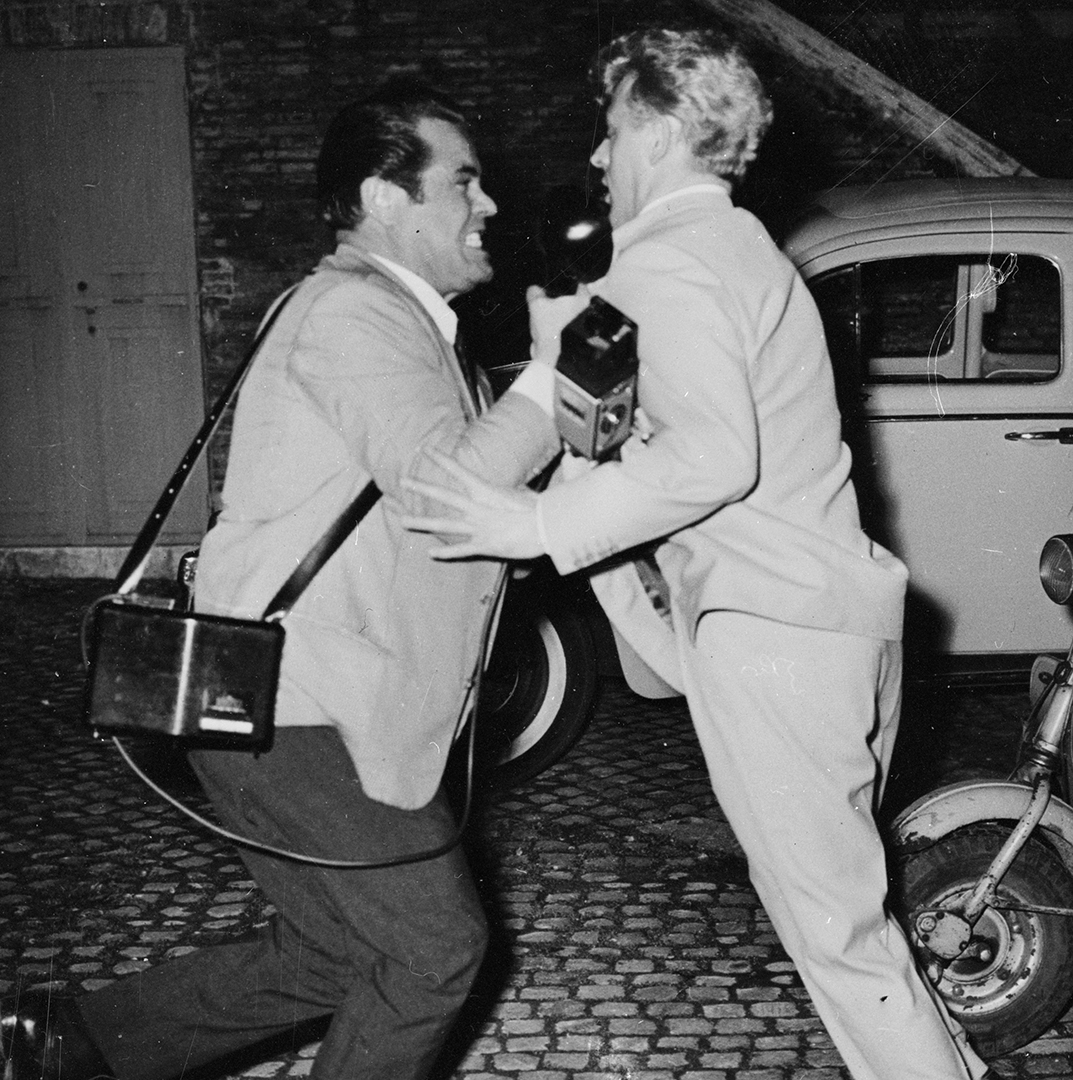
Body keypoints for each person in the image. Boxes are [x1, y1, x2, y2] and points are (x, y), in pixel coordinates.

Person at [401, 28, 995, 1080]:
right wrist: (566, 369)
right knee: (855, 932)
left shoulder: (668, 259)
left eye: (612, 130)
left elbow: (714, 455)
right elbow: (654, 446)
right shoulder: (739, 252)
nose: (595, 158)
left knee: (844, 948)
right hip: (813, 628)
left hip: (778, 643)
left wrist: (530, 529)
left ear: (664, 132)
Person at [0, 79, 564, 1080]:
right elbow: (449, 491)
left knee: (337, 951)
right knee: (434, 950)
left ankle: (61, 1048)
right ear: (387, 198)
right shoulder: (353, 313)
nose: (490, 205)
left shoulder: (416, 328)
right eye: (463, 183)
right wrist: (554, 377)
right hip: (296, 705)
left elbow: (489, 509)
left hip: (308, 701)